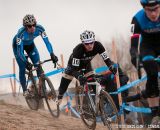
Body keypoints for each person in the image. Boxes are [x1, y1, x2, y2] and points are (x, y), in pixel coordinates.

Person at [57, 30, 117, 104]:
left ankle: (101, 100)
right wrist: (79, 76)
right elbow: (74, 70)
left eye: (91, 42)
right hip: (73, 67)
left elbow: (107, 59)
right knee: (64, 86)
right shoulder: (78, 50)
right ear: (83, 43)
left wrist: (111, 66)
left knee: (92, 81)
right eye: (87, 43)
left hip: (86, 65)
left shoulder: (98, 46)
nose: (90, 45)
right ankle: (59, 97)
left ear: (94, 41)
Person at [12, 14, 58, 97]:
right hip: (18, 48)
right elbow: (20, 52)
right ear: (26, 27)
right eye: (30, 26)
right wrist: (26, 62)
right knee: (22, 67)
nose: (32, 27)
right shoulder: (20, 34)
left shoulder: (40, 29)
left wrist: (52, 53)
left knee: (38, 66)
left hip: (30, 45)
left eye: (34, 25)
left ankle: (44, 90)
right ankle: (25, 90)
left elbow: (47, 42)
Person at [129, 0, 160, 124]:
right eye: (149, 10)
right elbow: (133, 46)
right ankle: (155, 116)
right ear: (144, 8)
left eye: (156, 9)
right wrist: (134, 56)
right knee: (152, 74)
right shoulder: (137, 19)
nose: (153, 14)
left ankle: (146, 93)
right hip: (148, 47)